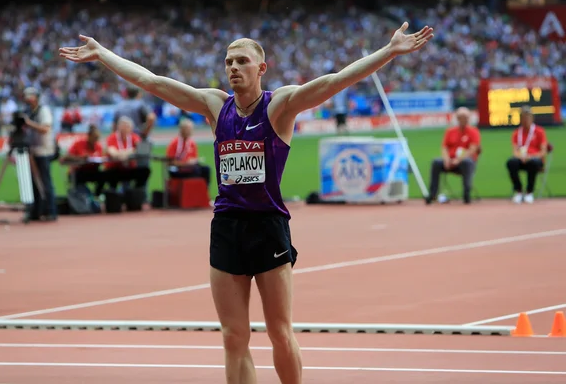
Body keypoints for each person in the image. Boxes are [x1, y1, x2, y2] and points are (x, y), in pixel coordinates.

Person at [59, 22, 433, 384]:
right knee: (233, 336)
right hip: (226, 227)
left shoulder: (280, 106)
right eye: (228, 62)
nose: (233, 68)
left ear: (261, 68)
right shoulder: (214, 105)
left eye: (241, 61)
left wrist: (389, 51)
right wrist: (103, 54)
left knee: (280, 333)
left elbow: (334, 83)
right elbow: (153, 82)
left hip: (268, 226)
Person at [425, 107, 481, 204]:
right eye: (461, 117)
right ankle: (432, 194)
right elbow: (444, 147)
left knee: (467, 162)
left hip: (464, 162)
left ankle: (466, 194)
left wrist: (458, 160)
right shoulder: (450, 131)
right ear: (457, 118)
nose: (463, 120)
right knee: (436, 162)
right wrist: (446, 159)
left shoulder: (474, 132)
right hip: (450, 161)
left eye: (465, 117)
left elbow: (473, 149)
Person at [22, 86, 58, 222]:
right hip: (32, 151)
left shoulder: (44, 111)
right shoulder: (28, 112)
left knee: (45, 181)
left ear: (36, 97)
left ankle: (51, 211)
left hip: (44, 150)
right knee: (33, 182)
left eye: (30, 96)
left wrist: (29, 124)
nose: (27, 99)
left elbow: (45, 129)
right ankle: (36, 211)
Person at [506, 106, 548, 204]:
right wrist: (521, 157)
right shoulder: (517, 133)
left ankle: (529, 192)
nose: (525, 120)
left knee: (533, 163)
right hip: (521, 158)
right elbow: (515, 150)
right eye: (523, 117)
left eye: (527, 117)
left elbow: (543, 151)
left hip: (535, 159)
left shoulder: (539, 131)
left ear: (532, 118)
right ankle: (519, 191)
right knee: (511, 163)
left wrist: (531, 156)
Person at [166, 118, 211, 188]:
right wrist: (186, 163)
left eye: (191, 129)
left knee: (206, 169)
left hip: (190, 167)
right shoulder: (174, 143)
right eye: (188, 129)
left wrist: (195, 161)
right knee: (196, 171)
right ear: (182, 130)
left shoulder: (192, 143)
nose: (191, 131)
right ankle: (192, 192)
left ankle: (204, 191)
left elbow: (194, 159)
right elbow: (170, 162)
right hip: (178, 169)